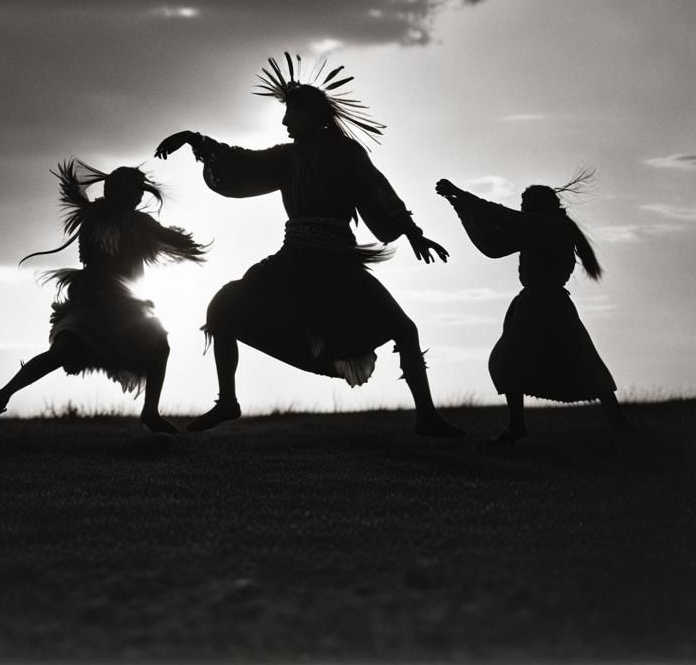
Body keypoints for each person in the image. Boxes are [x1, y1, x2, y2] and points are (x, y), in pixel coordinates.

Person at [155, 53, 464, 437]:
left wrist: (412, 232)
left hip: (337, 262)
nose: (285, 122)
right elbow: (242, 162)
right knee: (223, 306)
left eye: (291, 114)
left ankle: (427, 417)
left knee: (403, 328)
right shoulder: (288, 157)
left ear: (311, 115)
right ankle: (228, 401)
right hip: (295, 259)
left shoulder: (346, 153)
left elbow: (377, 190)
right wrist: (195, 139)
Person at [0, 159, 208, 434]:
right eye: (138, 191)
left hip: (104, 300)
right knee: (151, 347)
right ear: (125, 192)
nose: (141, 196)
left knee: (72, 352)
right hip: (101, 301)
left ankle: (3, 393)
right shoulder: (127, 221)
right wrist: (183, 241)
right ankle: (3, 394)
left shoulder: (99, 216)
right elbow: (151, 239)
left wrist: (173, 240)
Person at [435, 172, 627, 441]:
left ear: (537, 205)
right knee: (580, 361)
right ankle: (616, 422)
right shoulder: (548, 226)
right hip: (551, 304)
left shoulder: (543, 225)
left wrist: (462, 197)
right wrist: (462, 206)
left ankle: (518, 427)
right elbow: (496, 241)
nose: (522, 209)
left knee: (512, 361)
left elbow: (500, 220)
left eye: (525, 204)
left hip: (540, 305)